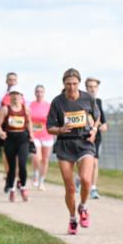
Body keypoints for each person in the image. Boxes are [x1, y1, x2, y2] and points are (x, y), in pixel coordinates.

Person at [47, 69, 99, 234]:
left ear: (79, 83)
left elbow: (96, 117)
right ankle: (72, 218)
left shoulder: (87, 98)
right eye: (68, 84)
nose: (71, 87)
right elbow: (49, 128)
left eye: (75, 83)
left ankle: (83, 207)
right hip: (65, 145)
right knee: (69, 188)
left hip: (84, 143)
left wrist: (94, 130)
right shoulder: (57, 102)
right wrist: (61, 129)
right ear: (63, 84)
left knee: (85, 179)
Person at [0, 87, 35, 202]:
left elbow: (29, 123)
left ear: (21, 96)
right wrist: (1, 132)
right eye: (13, 94)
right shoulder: (5, 109)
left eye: (17, 94)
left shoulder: (26, 109)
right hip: (10, 139)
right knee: (12, 167)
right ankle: (12, 190)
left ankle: (23, 187)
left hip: (22, 139)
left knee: (22, 164)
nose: (15, 96)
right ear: (10, 96)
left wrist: (31, 134)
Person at [0, 72, 19, 191]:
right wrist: (5, 113)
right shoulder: (1, 95)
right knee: (6, 154)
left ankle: (18, 179)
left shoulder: (22, 96)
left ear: (17, 81)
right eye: (10, 79)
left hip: (19, 128)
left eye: (14, 80)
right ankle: (9, 177)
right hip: (5, 128)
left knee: (19, 155)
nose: (12, 81)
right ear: (6, 81)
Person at [85, 77, 107, 199]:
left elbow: (103, 121)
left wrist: (104, 125)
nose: (92, 89)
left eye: (94, 87)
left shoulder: (98, 102)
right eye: (90, 87)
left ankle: (93, 188)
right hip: (83, 136)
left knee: (94, 162)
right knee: (85, 163)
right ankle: (79, 180)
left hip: (96, 137)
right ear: (86, 88)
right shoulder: (81, 101)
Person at [28, 85, 54, 190]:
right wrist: (29, 132)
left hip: (47, 136)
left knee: (45, 160)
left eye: (41, 91)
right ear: (35, 93)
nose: (39, 93)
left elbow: (53, 119)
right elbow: (27, 119)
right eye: (37, 91)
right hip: (34, 135)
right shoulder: (30, 105)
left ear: (44, 93)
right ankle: (35, 173)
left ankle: (41, 181)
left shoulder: (49, 106)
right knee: (36, 158)